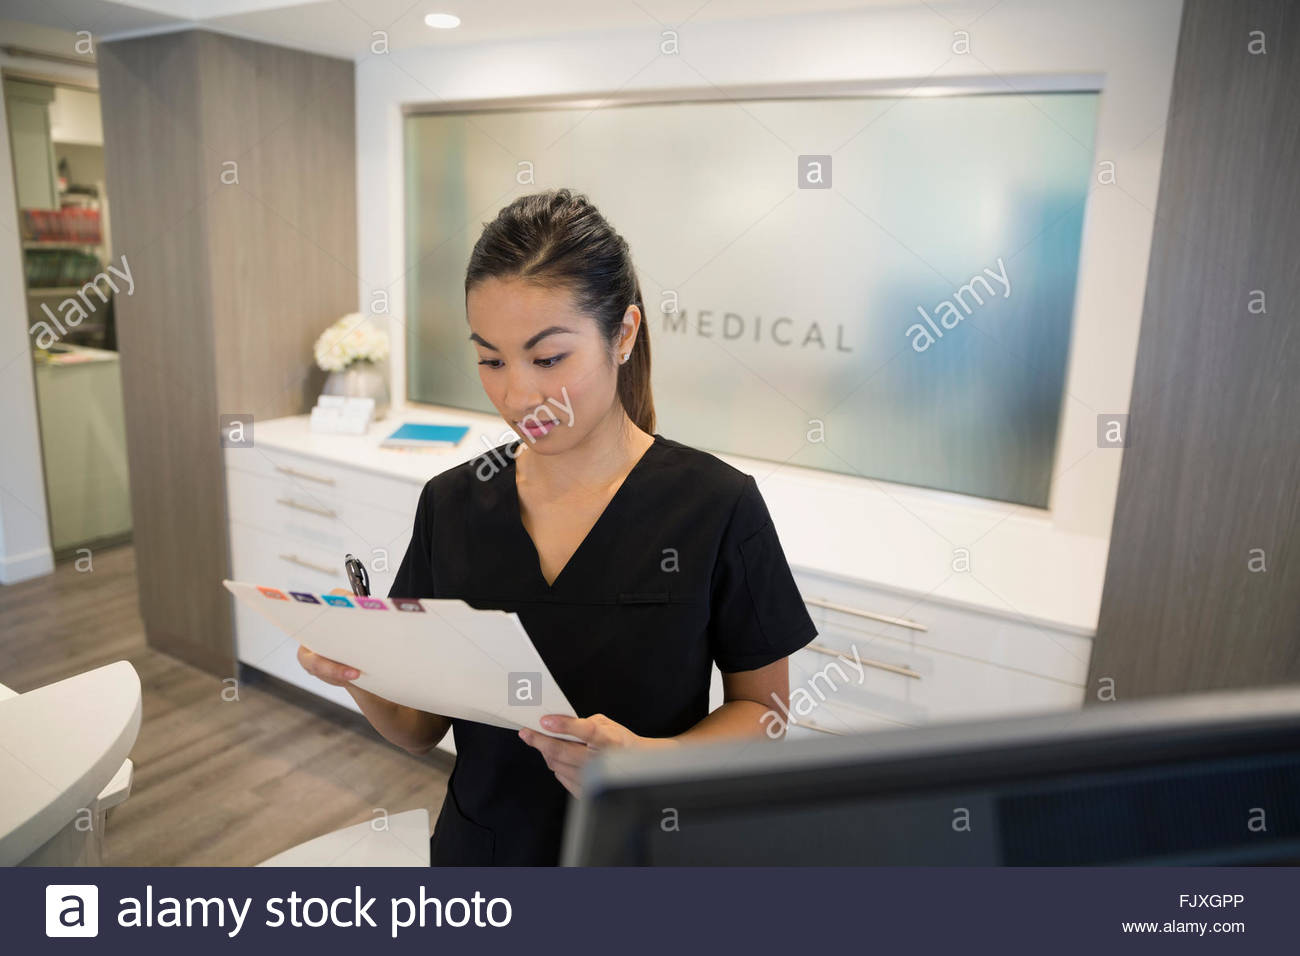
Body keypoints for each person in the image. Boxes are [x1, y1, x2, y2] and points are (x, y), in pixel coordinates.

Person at [298, 188, 817, 865]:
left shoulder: (716, 506)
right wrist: (353, 669)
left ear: (622, 334)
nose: (517, 396)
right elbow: (420, 728)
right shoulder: (452, 504)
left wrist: (648, 763)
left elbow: (765, 714)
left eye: (548, 360)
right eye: (490, 360)